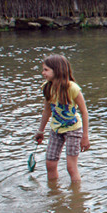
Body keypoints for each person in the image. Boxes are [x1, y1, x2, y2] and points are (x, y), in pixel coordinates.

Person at [34, 55, 90, 184]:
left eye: (46, 70)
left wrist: (85, 136)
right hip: (56, 130)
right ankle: (54, 195)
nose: (43, 73)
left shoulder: (73, 88)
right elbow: (47, 110)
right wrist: (40, 131)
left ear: (57, 70)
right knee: (50, 164)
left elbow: (84, 112)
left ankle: (77, 198)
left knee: (71, 167)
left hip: (73, 129)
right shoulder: (47, 87)